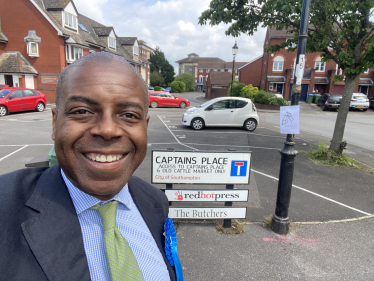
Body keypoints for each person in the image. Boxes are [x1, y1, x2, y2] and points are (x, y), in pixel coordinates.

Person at [0, 52, 177, 281]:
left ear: (145, 126)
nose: (108, 130)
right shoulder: (5, 207)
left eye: (129, 115)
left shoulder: (155, 201)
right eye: (82, 111)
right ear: (55, 122)